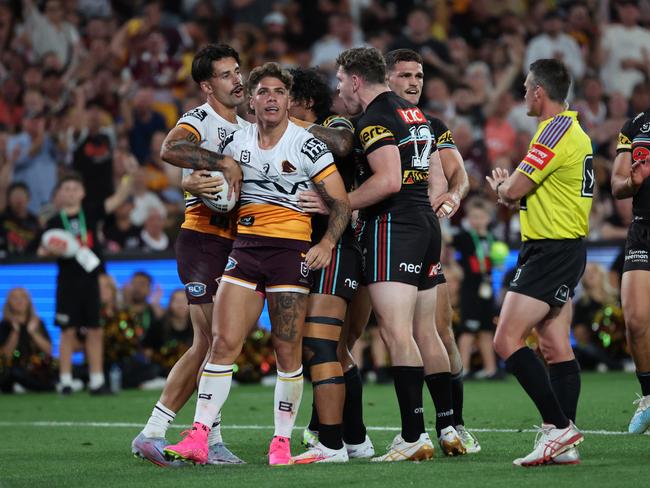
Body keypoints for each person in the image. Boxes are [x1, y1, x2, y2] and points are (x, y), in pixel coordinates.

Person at [164, 62, 351, 466]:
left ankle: (280, 443)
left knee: (287, 353)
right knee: (223, 344)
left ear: (288, 100)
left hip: (289, 255)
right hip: (245, 251)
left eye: (279, 92)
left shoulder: (307, 145)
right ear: (251, 100)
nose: (271, 98)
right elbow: (191, 168)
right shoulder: (234, 141)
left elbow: (342, 202)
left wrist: (329, 243)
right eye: (263, 92)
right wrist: (189, 181)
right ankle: (198, 435)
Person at [335, 47, 465, 462]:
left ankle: (413, 435)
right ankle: (446, 426)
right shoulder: (417, 115)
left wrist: (343, 204)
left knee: (396, 332)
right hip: (425, 225)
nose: (339, 89)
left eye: (340, 81)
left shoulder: (374, 118)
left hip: (393, 226)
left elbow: (389, 180)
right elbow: (432, 174)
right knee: (426, 331)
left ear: (356, 79)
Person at [132, 43, 249, 467]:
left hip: (234, 243)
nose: (237, 79)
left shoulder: (250, 125)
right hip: (201, 241)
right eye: (226, 74)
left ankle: (187, 435)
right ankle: (162, 432)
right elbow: (170, 149)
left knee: (215, 343)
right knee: (213, 341)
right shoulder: (199, 120)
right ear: (206, 85)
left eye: (238, 71)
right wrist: (221, 165)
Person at [486, 58, 593, 466]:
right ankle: (564, 444)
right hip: (561, 246)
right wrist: (511, 191)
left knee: (505, 339)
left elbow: (513, 189)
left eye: (526, 87)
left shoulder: (555, 130)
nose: (523, 94)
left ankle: (558, 427)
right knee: (553, 345)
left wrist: (501, 186)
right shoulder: (571, 129)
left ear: (538, 92)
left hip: (552, 249)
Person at [384, 48, 479, 452]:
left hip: (417, 234)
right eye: (405, 75)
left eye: (419, 76)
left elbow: (460, 176)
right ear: (387, 79)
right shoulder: (379, 122)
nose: (413, 83)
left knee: (437, 329)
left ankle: (451, 424)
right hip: (392, 233)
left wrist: (453, 198)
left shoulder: (434, 125)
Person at [287, 67, 363, 463]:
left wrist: (291, 124)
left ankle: (331, 444)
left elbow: (344, 143)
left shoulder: (331, 122)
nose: (278, 102)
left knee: (321, 345)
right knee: (329, 348)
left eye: (286, 95)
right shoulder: (281, 138)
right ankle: (355, 438)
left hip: (336, 248)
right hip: (308, 249)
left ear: (305, 101)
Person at [38, 170, 134, 395]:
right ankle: (65, 381)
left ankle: (97, 381)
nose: (70, 193)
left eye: (74, 189)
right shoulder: (53, 221)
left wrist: (127, 176)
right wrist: (49, 251)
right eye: (66, 189)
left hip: (92, 281)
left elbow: (118, 199)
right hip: (67, 282)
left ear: (82, 193)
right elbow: (42, 250)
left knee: (95, 329)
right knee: (67, 331)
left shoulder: (90, 212)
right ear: (59, 194)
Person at [610, 105, 650, 433]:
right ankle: (649, 398)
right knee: (635, 320)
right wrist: (633, 182)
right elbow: (616, 185)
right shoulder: (636, 125)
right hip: (643, 228)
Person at [450, 197, 499, 380]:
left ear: (488, 218)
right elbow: (446, 246)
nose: (477, 220)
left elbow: (495, 261)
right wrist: (455, 267)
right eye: (473, 216)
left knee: (487, 330)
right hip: (469, 289)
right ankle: (463, 369)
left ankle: (490, 370)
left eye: (480, 216)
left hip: (486, 288)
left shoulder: (494, 238)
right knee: (468, 330)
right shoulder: (463, 237)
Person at [0, 287, 55, 393]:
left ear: (28, 301)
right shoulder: (5, 325)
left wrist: (33, 333)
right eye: (15, 298)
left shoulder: (37, 323)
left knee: (57, 366)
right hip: (13, 369)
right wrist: (15, 332)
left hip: (35, 369)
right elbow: (5, 356)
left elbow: (49, 351)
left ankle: (26, 386)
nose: (19, 301)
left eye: (23, 297)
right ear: (8, 303)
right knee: (14, 372)